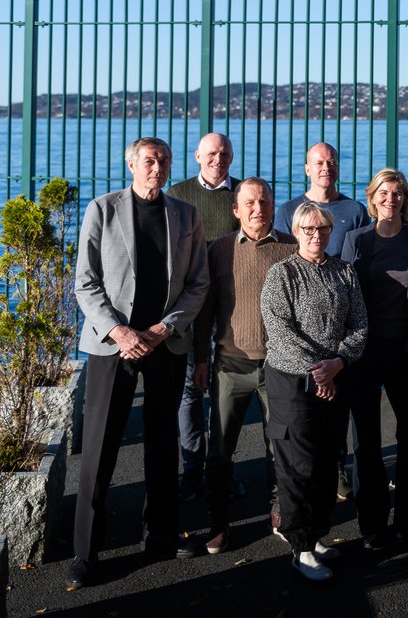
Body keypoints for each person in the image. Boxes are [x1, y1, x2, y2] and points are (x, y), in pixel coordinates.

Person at [68, 137, 210, 590]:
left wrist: (163, 329)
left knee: (163, 444)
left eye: (163, 160)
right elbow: (85, 284)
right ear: (131, 164)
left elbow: (198, 284)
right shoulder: (103, 209)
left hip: (163, 345)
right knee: (100, 448)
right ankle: (86, 552)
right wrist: (121, 332)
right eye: (149, 160)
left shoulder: (186, 215)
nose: (157, 166)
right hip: (114, 346)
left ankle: (162, 536)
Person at [259, 202, 368, 582]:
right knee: (298, 464)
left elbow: (359, 324)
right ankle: (300, 547)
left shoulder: (344, 272)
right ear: (296, 232)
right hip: (293, 381)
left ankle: (317, 534)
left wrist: (337, 363)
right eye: (308, 230)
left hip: (335, 376)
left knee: (326, 459)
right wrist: (318, 371)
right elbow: (279, 331)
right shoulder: (282, 274)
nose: (316, 236)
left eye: (322, 229)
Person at [193, 177, 297, 554]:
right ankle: (219, 522)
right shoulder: (218, 250)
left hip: (280, 366)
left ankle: (279, 510)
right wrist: (201, 360)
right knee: (220, 450)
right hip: (229, 364)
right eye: (250, 202)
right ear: (236, 210)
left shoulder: (291, 246)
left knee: (280, 445)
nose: (258, 208)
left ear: (273, 206)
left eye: (265, 201)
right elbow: (205, 310)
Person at [341, 169, 408, 550]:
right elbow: (345, 299)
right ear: (372, 197)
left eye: (397, 192)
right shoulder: (355, 240)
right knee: (364, 441)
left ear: (405, 198)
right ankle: (372, 525)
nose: (391, 198)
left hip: (407, 350)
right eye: (384, 192)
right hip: (365, 351)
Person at [165, 132, 240, 503]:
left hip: (233, 309)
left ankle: (221, 468)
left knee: (227, 394)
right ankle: (192, 469)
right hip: (191, 307)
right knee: (189, 393)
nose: (218, 158)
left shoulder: (243, 195)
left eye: (224, 152)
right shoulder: (177, 194)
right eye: (211, 152)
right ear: (197, 156)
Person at [275, 142, 370, 261]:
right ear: (308, 169)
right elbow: (281, 255)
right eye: (319, 163)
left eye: (331, 163)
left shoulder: (356, 211)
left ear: (338, 167)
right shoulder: (288, 211)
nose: (326, 168)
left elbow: (364, 256)